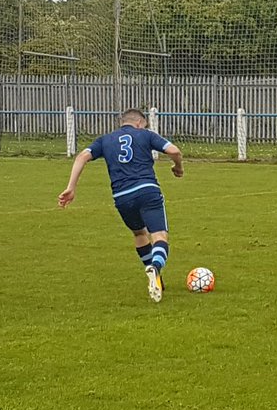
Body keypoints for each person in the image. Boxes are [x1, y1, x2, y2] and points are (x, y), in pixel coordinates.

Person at [58, 109, 184, 302]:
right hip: (147, 189)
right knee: (159, 235)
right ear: (140, 123)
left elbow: (81, 156)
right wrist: (177, 167)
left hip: (122, 196)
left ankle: (154, 275)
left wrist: (71, 188)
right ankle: (156, 267)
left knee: (140, 234)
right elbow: (174, 151)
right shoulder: (146, 134)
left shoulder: (105, 140)